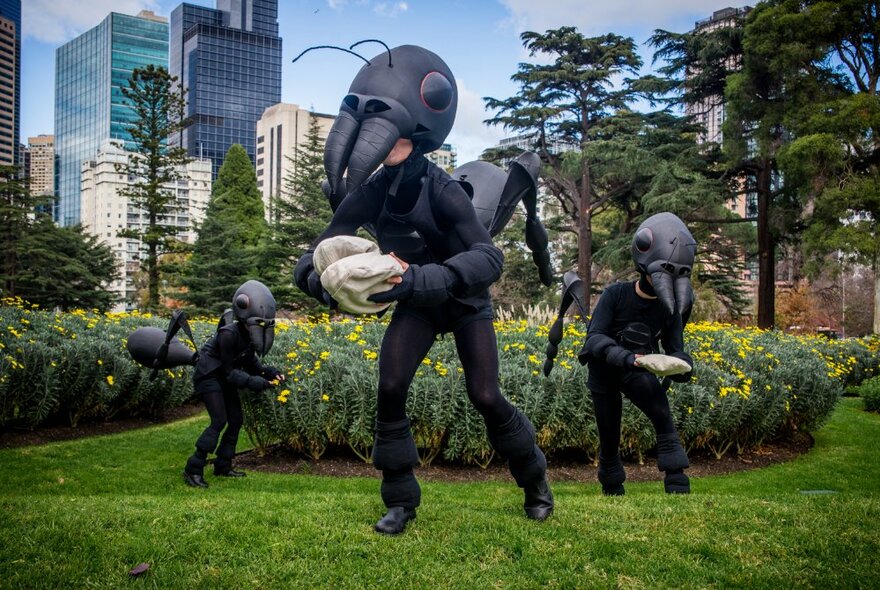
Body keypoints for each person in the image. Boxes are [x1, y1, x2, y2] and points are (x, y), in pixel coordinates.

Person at [294, 44, 553, 535]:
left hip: (462, 300)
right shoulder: (372, 191)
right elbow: (322, 242)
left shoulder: (444, 189)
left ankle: (535, 481)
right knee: (390, 388)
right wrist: (318, 279)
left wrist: (424, 278)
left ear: (412, 133)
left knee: (485, 395)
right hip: (414, 302)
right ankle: (400, 500)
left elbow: (488, 258)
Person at [578, 212, 696, 495]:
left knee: (661, 412)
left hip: (638, 369)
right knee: (609, 432)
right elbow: (594, 338)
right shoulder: (615, 295)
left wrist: (682, 366)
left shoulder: (670, 309)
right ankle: (612, 481)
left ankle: (676, 477)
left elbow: (675, 347)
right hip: (605, 372)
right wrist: (625, 357)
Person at [182, 280, 284, 488]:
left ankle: (223, 465)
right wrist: (255, 382)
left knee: (236, 419)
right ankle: (193, 469)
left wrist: (271, 373)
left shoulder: (247, 335)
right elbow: (229, 371)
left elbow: (251, 363)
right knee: (219, 420)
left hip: (225, 377)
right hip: (210, 375)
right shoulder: (228, 334)